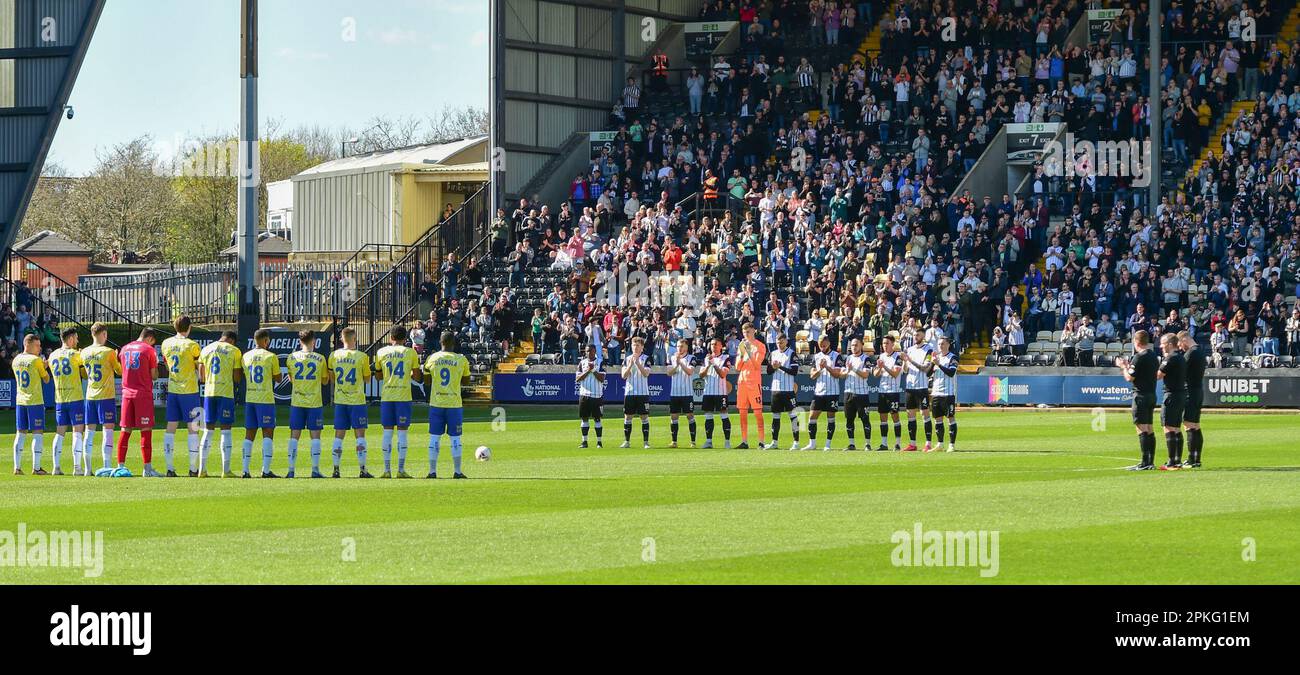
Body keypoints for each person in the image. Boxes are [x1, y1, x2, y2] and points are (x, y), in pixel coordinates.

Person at [423, 331, 471, 479]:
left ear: (440, 342)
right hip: (454, 404)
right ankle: (457, 471)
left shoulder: (432, 358)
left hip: (436, 403)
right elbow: (466, 382)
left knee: (434, 438)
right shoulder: (461, 360)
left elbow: (427, 381)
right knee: (455, 439)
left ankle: (432, 472)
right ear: (454, 343)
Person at [160, 316, 203, 477]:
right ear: (189, 327)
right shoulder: (192, 345)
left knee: (171, 427)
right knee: (193, 429)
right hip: (190, 390)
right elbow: (199, 366)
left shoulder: (166, 343)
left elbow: (166, 363)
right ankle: (193, 469)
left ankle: (170, 469)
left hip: (173, 389)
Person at [375, 325, 421, 478]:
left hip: (387, 397)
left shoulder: (381, 352)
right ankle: (401, 470)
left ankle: (387, 470)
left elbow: (378, 376)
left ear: (390, 338)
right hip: (403, 397)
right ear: (405, 339)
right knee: (402, 434)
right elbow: (417, 377)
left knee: (387, 432)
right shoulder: (410, 353)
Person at [118, 328, 163, 477]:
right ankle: (147, 469)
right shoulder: (149, 350)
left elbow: (122, 370)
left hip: (126, 394)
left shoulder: (124, 349)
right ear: (149, 338)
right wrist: (157, 368)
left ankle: (121, 466)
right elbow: (154, 375)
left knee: (125, 430)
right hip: (142, 394)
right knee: (146, 430)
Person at [329, 327, 372, 478]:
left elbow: (332, 377)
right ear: (355, 339)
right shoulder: (362, 356)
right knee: (360, 436)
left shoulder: (334, 355)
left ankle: (336, 469)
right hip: (357, 401)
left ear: (342, 339)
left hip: (340, 400)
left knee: (338, 435)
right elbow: (367, 379)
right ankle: (363, 469)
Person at [198, 331, 242, 478]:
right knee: (226, 430)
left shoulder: (205, 349)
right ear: (231, 340)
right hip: (225, 394)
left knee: (208, 430)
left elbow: (201, 377)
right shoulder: (234, 351)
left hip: (209, 392)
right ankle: (226, 470)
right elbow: (236, 378)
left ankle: (202, 469)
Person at [286, 330, 330, 478]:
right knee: (315, 437)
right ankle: (315, 470)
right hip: (314, 402)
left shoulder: (291, 357)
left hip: (297, 402)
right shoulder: (320, 358)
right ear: (314, 341)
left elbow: (291, 379)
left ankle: (291, 471)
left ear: (300, 341)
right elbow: (325, 381)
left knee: (294, 436)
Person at [80, 323, 121, 474]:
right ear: (104, 334)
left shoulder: (84, 352)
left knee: (89, 432)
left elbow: (84, 374)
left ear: (92, 334)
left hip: (90, 396)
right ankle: (107, 465)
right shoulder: (109, 352)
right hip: (106, 396)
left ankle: (87, 468)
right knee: (107, 430)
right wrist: (117, 358)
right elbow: (120, 370)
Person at [241, 329, 282, 478]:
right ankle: (265, 470)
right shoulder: (271, 356)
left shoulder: (246, 356)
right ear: (266, 341)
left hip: (250, 398)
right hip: (265, 399)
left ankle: (245, 471)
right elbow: (278, 378)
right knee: (268, 433)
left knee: (249, 434)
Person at [1117, 330, 1159, 471]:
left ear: (1136, 342)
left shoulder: (1138, 357)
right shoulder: (1153, 356)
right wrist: (1129, 367)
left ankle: (1144, 462)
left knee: (1141, 428)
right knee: (1149, 428)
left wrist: (1123, 367)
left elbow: (1130, 378)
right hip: (1151, 394)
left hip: (1140, 395)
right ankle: (1150, 462)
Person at [48, 328, 86, 476]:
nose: (77, 341)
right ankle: (77, 467)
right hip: (75, 398)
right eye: (75, 338)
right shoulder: (76, 355)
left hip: (60, 398)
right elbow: (84, 374)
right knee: (78, 432)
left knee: (60, 433)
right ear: (70, 339)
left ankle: (55, 467)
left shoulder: (53, 355)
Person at [12, 334, 50, 475]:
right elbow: (46, 379)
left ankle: (17, 467)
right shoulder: (36, 360)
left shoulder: (15, 360)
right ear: (27, 344)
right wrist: (45, 367)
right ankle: (36, 467)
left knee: (20, 433)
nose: (39, 348)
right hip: (35, 401)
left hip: (20, 400)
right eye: (37, 345)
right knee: (37, 433)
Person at [805, 335, 843, 451]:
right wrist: (820, 369)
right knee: (812, 417)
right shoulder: (816, 357)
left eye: (824, 345)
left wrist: (826, 366)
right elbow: (812, 375)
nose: (822, 347)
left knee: (830, 417)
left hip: (832, 391)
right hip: (819, 392)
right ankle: (812, 443)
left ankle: (828, 444)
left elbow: (838, 374)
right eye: (820, 345)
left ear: (828, 343)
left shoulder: (836, 356)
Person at [900, 330, 936, 452]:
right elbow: (905, 370)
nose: (915, 337)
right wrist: (905, 362)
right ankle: (912, 444)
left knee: (924, 414)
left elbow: (925, 368)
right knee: (910, 414)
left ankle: (928, 443)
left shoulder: (929, 349)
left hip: (921, 387)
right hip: (910, 386)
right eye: (914, 335)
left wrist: (909, 360)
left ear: (923, 336)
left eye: (918, 335)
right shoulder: (909, 349)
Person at [1155, 333, 1187, 471]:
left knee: (1168, 427)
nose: (1161, 346)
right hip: (1181, 394)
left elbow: (1158, 375)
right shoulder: (1181, 357)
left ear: (1169, 344)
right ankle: (1177, 460)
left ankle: (1171, 461)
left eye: (1162, 344)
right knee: (1176, 427)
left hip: (1171, 394)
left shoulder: (1170, 358)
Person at [734, 323, 767, 449]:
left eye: (748, 331)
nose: (746, 334)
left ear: (754, 331)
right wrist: (742, 354)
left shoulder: (760, 346)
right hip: (742, 382)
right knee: (742, 413)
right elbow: (737, 367)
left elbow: (757, 365)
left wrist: (749, 351)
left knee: (758, 413)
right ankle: (744, 441)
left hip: (754, 383)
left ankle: (761, 442)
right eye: (744, 332)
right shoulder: (741, 346)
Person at [767, 333, 801, 450]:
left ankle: (796, 442)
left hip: (788, 390)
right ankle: (774, 442)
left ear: (786, 341)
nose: (779, 344)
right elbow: (768, 371)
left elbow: (794, 371)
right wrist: (773, 367)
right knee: (776, 416)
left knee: (793, 416)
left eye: (781, 342)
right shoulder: (773, 353)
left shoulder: (791, 353)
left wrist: (780, 367)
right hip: (775, 390)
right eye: (777, 342)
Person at [1178, 331, 1207, 468]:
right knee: (1195, 425)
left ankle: (1192, 459)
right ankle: (1196, 458)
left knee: (1189, 424)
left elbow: (1180, 371)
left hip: (1190, 391)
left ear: (1184, 340)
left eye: (1180, 344)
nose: (1180, 347)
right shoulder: (1200, 351)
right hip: (1198, 390)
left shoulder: (1190, 353)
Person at [873, 335, 905, 451]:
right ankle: (884, 443)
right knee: (883, 417)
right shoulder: (881, 356)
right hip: (882, 391)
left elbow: (895, 374)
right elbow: (876, 374)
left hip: (893, 391)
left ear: (893, 344)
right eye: (883, 343)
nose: (884, 345)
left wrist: (884, 366)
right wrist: (879, 368)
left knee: (895, 416)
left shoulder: (898, 357)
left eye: (887, 343)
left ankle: (897, 443)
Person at [700, 338, 732, 449]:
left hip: (720, 392)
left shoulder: (726, 358)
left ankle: (727, 441)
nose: (713, 346)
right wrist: (708, 365)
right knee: (708, 416)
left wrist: (713, 364)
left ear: (721, 346)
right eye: (712, 344)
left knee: (724, 415)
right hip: (708, 391)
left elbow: (723, 374)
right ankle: (709, 441)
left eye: (716, 344)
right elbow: (701, 375)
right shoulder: (706, 358)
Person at [620, 336, 652, 449]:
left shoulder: (646, 358)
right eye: (634, 345)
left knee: (644, 417)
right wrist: (630, 365)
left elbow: (646, 373)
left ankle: (646, 442)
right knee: (628, 417)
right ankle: (627, 441)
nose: (635, 347)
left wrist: (637, 363)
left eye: (638, 345)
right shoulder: (627, 358)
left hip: (643, 392)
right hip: (629, 392)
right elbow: (623, 376)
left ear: (642, 347)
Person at [665, 338, 697, 448]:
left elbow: (690, 372)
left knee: (690, 415)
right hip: (675, 393)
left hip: (687, 393)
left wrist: (681, 364)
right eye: (678, 346)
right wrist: (676, 365)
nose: (680, 348)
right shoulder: (672, 357)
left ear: (686, 347)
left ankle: (693, 442)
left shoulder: (691, 358)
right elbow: (669, 373)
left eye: (682, 346)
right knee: (674, 417)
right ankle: (674, 442)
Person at [842, 337, 872, 451]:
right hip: (848, 392)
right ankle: (851, 444)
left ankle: (867, 444)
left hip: (861, 393)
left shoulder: (866, 359)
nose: (853, 347)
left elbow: (865, 375)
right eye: (852, 345)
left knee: (865, 419)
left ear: (861, 346)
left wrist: (853, 369)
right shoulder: (848, 358)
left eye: (856, 345)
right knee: (849, 419)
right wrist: (845, 372)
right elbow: (844, 374)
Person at [930, 337, 959, 452]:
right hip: (936, 392)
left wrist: (939, 365)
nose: (940, 346)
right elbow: (928, 373)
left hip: (948, 393)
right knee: (938, 419)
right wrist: (933, 363)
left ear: (948, 345)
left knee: (950, 418)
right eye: (939, 344)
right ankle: (940, 444)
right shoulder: (936, 357)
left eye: (942, 344)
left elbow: (951, 373)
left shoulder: (953, 357)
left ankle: (951, 445)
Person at [576, 344, 606, 448]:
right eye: (587, 351)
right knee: (584, 418)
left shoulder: (600, 362)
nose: (589, 353)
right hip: (584, 394)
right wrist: (588, 370)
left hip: (597, 395)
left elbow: (602, 378)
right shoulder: (582, 363)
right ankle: (584, 442)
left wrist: (593, 370)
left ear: (595, 352)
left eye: (591, 351)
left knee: (597, 419)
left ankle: (599, 442)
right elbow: (577, 379)